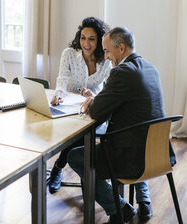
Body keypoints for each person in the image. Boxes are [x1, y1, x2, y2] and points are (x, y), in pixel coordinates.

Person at [68, 26, 165, 223]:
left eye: (107, 51)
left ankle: (119, 209)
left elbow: (96, 112)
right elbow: (123, 101)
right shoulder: (149, 67)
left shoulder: (122, 72)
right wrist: (100, 99)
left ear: (121, 48)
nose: (105, 56)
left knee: (78, 157)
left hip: (131, 158)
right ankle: (134, 205)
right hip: (158, 154)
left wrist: (95, 102)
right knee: (91, 154)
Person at [48, 17, 112, 193]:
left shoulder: (106, 59)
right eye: (83, 37)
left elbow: (109, 88)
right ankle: (63, 171)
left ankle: (57, 170)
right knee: (76, 135)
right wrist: (59, 92)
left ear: (99, 40)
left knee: (79, 135)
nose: (86, 43)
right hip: (69, 106)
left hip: (93, 107)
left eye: (91, 38)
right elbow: (61, 79)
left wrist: (95, 96)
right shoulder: (69, 54)